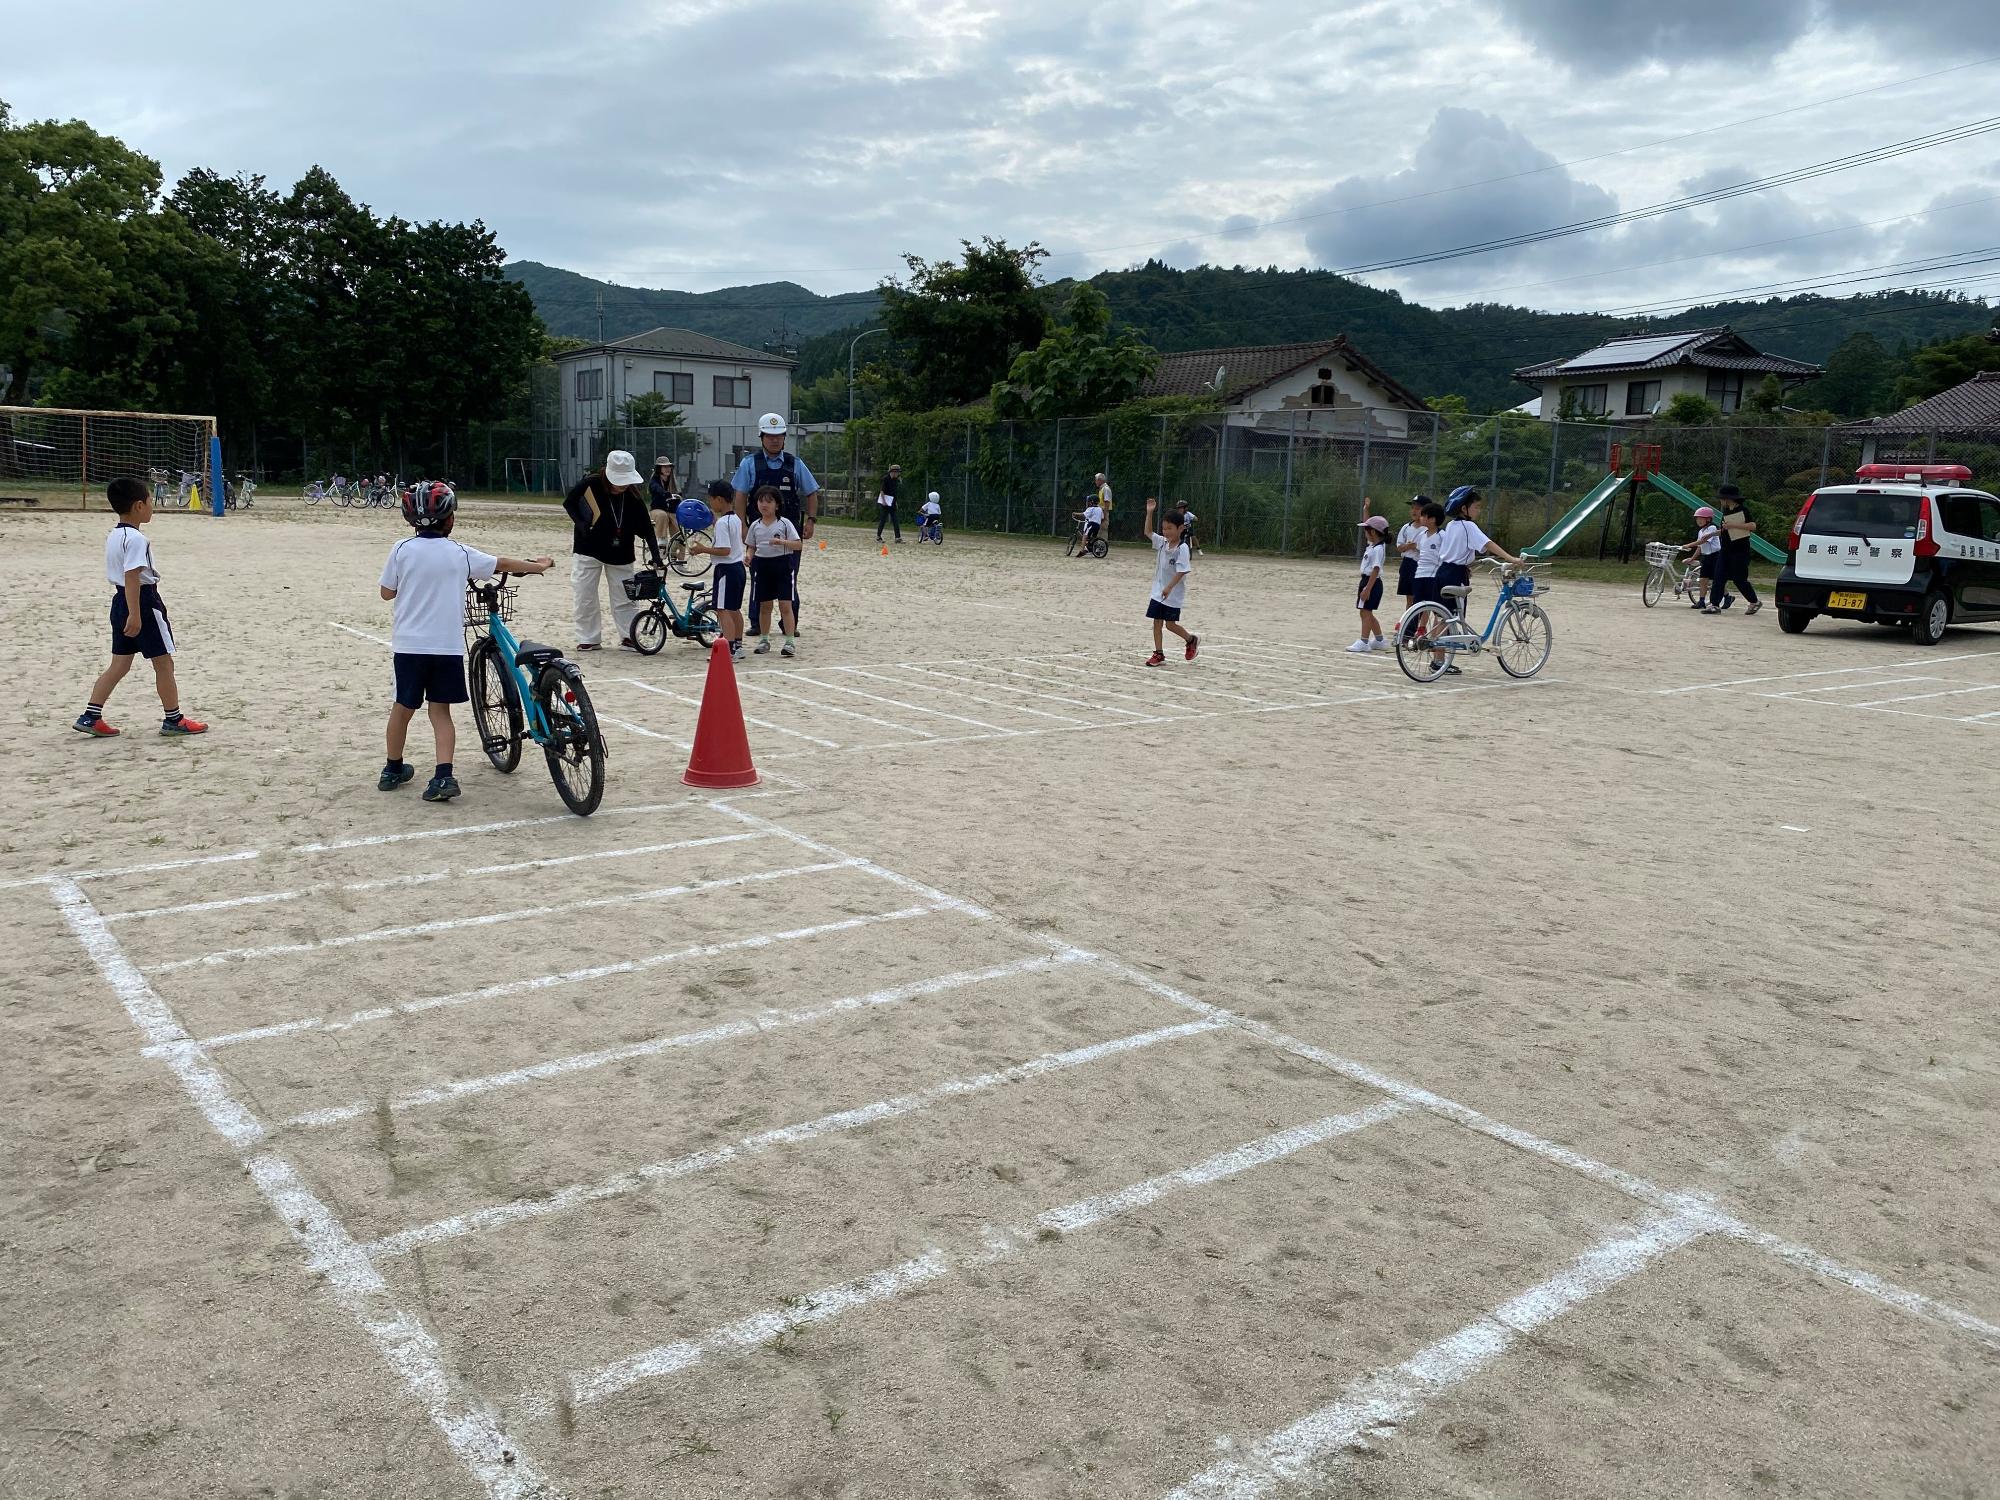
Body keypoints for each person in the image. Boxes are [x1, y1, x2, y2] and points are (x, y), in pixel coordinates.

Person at [377, 482, 552, 802]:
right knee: (440, 711)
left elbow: (387, 592)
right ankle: (444, 775)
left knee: (402, 708)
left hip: (409, 647)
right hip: (446, 647)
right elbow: (502, 563)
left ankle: (392, 768)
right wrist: (538, 566)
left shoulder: (401, 549)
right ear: (450, 519)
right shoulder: (459, 553)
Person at [74, 475, 210, 738]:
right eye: (149, 502)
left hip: (119, 602)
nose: (151, 507)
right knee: (164, 663)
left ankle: (91, 715)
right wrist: (136, 614)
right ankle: (174, 719)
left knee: (119, 664)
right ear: (139, 505)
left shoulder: (114, 535)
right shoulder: (137, 539)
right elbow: (132, 576)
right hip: (143, 603)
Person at [733, 413, 819, 641]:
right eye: (770, 436)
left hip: (789, 533)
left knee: (790, 576)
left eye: (779, 436)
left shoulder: (795, 464)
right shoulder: (749, 463)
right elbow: (740, 495)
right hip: (759, 531)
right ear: (761, 437)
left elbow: (811, 492)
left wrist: (811, 520)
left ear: (784, 438)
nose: (774, 440)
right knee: (758, 575)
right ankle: (757, 623)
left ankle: (789, 623)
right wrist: (742, 525)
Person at [564, 449, 659, 651]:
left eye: (626, 481)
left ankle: (628, 635)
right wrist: (580, 523)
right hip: (588, 548)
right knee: (584, 594)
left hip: (621, 553)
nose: (622, 486)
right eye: (619, 481)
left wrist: (656, 556)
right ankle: (589, 638)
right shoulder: (590, 483)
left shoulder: (633, 496)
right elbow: (569, 503)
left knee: (625, 596)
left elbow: (647, 530)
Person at [1436, 486, 1526, 675]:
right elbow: (1488, 544)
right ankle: (1439, 661)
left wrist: (1467, 565)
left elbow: (1454, 551)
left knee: (1442, 615)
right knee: (1450, 617)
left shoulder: (1451, 526)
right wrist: (1511, 559)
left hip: (1443, 571)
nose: (1479, 510)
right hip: (1455, 575)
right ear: (1464, 509)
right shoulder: (1468, 526)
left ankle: (1438, 659)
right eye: (1476, 507)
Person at [690, 480, 748, 659]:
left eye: (711, 499)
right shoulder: (735, 519)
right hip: (738, 569)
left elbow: (724, 550)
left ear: (719, 500)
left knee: (722, 610)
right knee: (734, 609)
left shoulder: (723, 523)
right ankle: (737, 646)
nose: (710, 503)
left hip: (726, 570)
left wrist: (702, 549)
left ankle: (728, 650)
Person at [745, 486, 803, 656]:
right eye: (761, 501)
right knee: (764, 606)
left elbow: (798, 544)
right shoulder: (755, 525)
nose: (764, 505)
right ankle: (764, 640)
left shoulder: (785, 523)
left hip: (782, 565)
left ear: (777, 505)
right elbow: (751, 546)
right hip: (762, 565)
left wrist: (782, 542)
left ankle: (789, 642)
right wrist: (748, 556)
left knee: (785, 605)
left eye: (769, 501)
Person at [1143, 496, 1198, 666]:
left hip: (1173, 594)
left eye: (1170, 528)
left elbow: (1182, 571)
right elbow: (1148, 532)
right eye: (1164, 528)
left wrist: (1169, 587)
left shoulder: (1182, 548)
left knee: (1170, 625)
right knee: (1157, 622)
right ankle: (1158, 654)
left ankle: (1191, 640)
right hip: (1158, 592)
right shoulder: (1162, 543)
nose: (1166, 532)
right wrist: (1150, 513)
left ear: (1180, 528)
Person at [1712, 484, 1762, 616]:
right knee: (1719, 576)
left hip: (1740, 549)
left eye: (1722, 498)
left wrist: (1733, 525)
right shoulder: (1726, 511)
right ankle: (1714, 604)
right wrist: (1712, 534)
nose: (1721, 501)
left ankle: (1754, 601)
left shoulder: (1743, 510)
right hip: (1726, 549)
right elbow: (1725, 529)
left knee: (1739, 578)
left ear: (1728, 498)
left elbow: (1752, 526)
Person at [1349, 515, 1389, 653]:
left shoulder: (1378, 549)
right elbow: (1369, 524)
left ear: (1373, 532)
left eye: (1366, 530)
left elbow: (1376, 569)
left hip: (1372, 582)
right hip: (1367, 581)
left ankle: (1364, 641)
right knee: (1366, 612)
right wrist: (1366, 510)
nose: (1364, 533)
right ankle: (1379, 640)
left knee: (1365, 612)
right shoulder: (1373, 545)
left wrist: (1367, 589)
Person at [1681, 506, 1727, 615]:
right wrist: (1692, 558)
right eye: (1697, 519)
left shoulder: (1712, 528)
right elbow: (1700, 547)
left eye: (1701, 518)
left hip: (1715, 556)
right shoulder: (1701, 531)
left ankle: (1727, 596)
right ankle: (1701, 601)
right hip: (1706, 557)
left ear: (1709, 519)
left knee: (1716, 580)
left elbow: (1703, 541)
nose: (1699, 521)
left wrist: (1688, 545)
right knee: (1703, 580)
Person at [1394, 495, 1429, 617]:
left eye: (1418, 508)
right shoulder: (1406, 527)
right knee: (1409, 596)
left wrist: (1415, 546)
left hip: (1419, 564)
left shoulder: (1427, 529)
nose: (1414, 511)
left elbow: (1427, 548)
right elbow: (1399, 546)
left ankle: (1420, 623)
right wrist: (1408, 546)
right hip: (1407, 564)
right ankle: (1408, 620)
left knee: (1420, 596)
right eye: (1413, 508)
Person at [646, 457, 680, 524]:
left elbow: (678, 495)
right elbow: (657, 489)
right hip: (657, 510)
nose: (668, 469)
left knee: (676, 519)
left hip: (671, 511)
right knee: (662, 516)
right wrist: (666, 494)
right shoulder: (654, 481)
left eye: (669, 466)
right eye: (664, 467)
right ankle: (660, 532)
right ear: (659, 469)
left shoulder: (673, 481)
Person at [876, 462, 903, 542]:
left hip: (892, 502)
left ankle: (897, 537)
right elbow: (882, 491)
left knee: (895, 520)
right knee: (883, 520)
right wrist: (884, 501)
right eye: (897, 472)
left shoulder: (895, 480)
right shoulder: (886, 479)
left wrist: (895, 502)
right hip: (885, 502)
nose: (898, 474)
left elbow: (894, 492)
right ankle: (878, 536)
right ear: (893, 472)